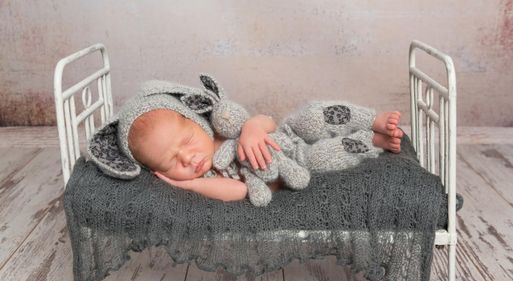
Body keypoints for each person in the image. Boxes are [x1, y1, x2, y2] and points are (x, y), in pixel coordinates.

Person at [127, 106, 404, 202]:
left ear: (196, 123)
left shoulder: (219, 130)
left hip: (288, 135)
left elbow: (268, 121)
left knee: (310, 117)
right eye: (172, 162)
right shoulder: (207, 176)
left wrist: (251, 128)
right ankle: (372, 142)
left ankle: (370, 119)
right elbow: (237, 191)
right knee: (325, 157)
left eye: (186, 141)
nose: (188, 158)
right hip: (298, 162)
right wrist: (186, 183)